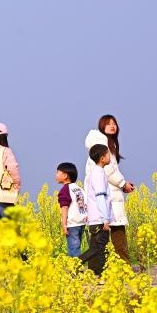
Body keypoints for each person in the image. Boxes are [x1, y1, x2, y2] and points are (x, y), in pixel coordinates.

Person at [85, 115, 134, 263]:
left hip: (108, 195)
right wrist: (123, 184)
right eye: (108, 124)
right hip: (108, 197)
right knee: (115, 234)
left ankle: (103, 270)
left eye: (114, 124)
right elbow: (110, 171)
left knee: (100, 241)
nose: (112, 126)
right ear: (101, 127)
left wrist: (123, 183)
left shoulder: (106, 146)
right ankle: (123, 267)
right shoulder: (103, 148)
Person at [79, 144, 114, 276]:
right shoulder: (98, 174)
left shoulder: (95, 173)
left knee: (97, 248)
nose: (110, 156)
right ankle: (75, 263)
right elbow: (100, 197)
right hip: (99, 218)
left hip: (95, 217)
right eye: (108, 154)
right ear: (102, 158)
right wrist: (106, 219)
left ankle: (96, 274)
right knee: (98, 247)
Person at [55, 162, 87, 257]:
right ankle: (78, 268)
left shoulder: (65, 190)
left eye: (57, 172)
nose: (55, 175)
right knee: (77, 247)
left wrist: (64, 224)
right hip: (81, 222)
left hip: (72, 224)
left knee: (73, 249)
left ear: (65, 176)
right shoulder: (79, 188)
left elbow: (64, 207)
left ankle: (75, 269)